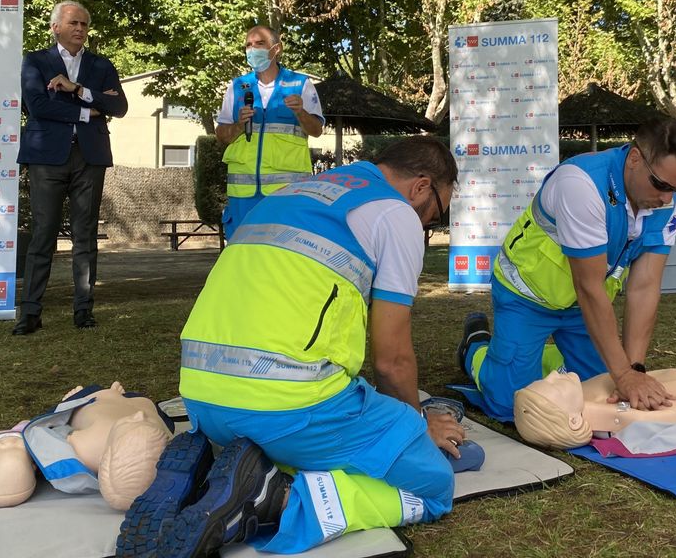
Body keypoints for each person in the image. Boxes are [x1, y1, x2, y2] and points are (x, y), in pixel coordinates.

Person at [117, 137, 463, 558]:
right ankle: (271, 501)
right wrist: (417, 429)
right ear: (422, 187)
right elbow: (391, 360)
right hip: (287, 405)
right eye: (434, 216)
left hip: (203, 400)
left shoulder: (293, 192)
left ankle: (212, 470)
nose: (426, 226)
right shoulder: (395, 213)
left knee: (348, 413)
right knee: (433, 483)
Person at [457, 117, 676, 420]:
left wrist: (634, 369)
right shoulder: (581, 184)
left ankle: (532, 358)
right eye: (660, 184)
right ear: (635, 158)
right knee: (511, 408)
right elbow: (588, 287)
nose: (667, 198)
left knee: (600, 394)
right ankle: (476, 349)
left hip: (579, 308)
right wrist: (624, 375)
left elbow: (645, 286)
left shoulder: (668, 200)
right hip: (526, 295)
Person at [13, 0, 128, 335]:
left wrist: (77, 89)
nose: (80, 29)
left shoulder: (101, 64)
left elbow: (118, 106)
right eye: (74, 23)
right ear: (55, 28)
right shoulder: (35, 62)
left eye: (84, 25)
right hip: (46, 156)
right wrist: (87, 109)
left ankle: (83, 311)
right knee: (43, 235)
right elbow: (36, 106)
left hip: (89, 157)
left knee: (85, 236)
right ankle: (30, 313)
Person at [0, 382, 172, 511]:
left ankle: (91, 395)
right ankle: (79, 396)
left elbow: (60, 434)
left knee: (73, 408)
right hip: (93, 399)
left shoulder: (161, 430)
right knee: (67, 408)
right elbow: (49, 431)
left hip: (119, 400)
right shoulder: (83, 447)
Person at [214, 25, 324, 239]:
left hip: (287, 193)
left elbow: (317, 130)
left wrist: (300, 111)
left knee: (284, 254)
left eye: (259, 43)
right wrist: (238, 125)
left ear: (276, 49)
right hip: (243, 195)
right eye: (248, 45)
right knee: (242, 255)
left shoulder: (301, 84)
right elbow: (221, 135)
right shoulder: (237, 87)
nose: (252, 49)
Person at [514, 369, 676, 455]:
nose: (553, 373)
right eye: (555, 384)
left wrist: (631, 374)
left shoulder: (581, 396)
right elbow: (645, 414)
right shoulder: (608, 411)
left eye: (547, 378)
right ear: (574, 420)